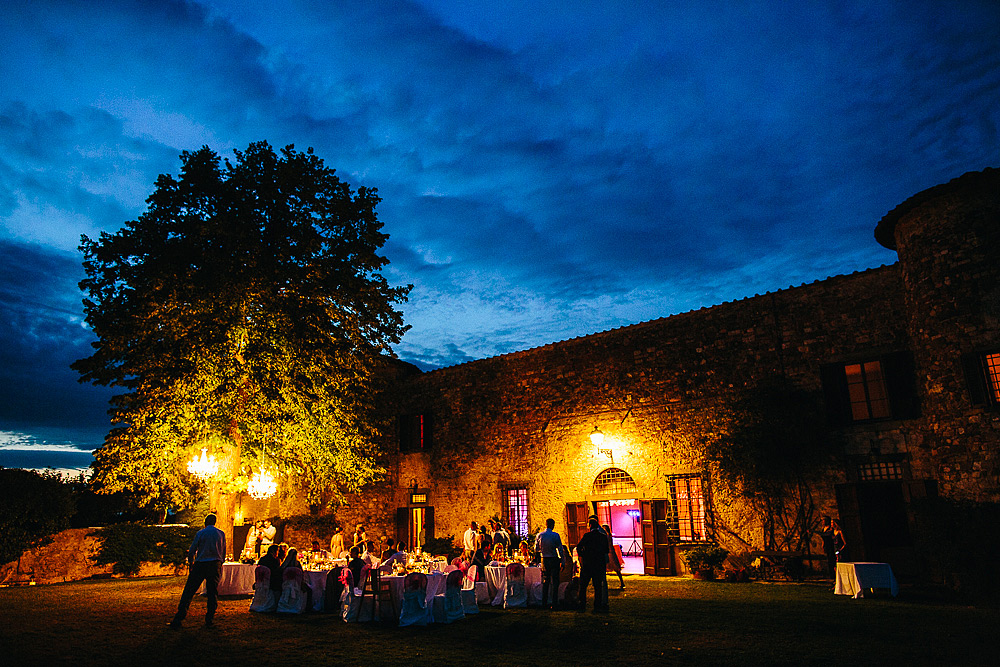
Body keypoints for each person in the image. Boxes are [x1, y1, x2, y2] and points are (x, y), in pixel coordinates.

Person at [169, 514, 226, 629]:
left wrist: (191, 562)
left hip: (201, 564)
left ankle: (179, 617)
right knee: (212, 592)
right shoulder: (221, 533)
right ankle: (209, 618)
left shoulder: (201, 533)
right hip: (214, 564)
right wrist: (220, 562)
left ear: (205, 522)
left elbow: (192, 549)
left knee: (189, 591)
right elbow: (223, 550)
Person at [576, 518, 610, 613]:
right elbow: (606, 550)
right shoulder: (603, 536)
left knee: (583, 585)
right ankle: (597, 606)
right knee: (597, 586)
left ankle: (582, 604)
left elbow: (579, 546)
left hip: (588, 563)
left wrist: (582, 555)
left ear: (590, 526)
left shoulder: (587, 536)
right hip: (598, 564)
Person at [535, 518, 563, 609]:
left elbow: (536, 549)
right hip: (553, 558)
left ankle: (544, 602)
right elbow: (560, 549)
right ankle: (554, 602)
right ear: (553, 525)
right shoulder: (555, 535)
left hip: (544, 559)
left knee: (545, 581)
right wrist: (562, 560)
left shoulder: (540, 535)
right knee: (555, 581)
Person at [604, 523, 625, 590]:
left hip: (610, 553)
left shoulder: (607, 536)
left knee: (616, 568)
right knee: (615, 569)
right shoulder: (608, 536)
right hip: (609, 553)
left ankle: (622, 582)